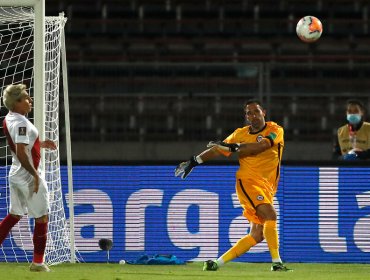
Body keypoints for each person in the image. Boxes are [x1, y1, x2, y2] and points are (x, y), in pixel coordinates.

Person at [175, 99, 292, 272]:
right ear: (246, 117)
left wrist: (234, 147)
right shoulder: (240, 133)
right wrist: (194, 161)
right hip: (248, 182)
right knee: (270, 215)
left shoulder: (275, 129)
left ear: (264, 113)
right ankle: (277, 264)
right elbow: (218, 149)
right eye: (249, 113)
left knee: (257, 235)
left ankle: (215, 264)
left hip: (268, 187)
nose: (253, 116)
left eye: (256, 112)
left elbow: (262, 145)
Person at [0, 84, 56, 272]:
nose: (30, 101)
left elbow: (21, 143)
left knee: (14, 215)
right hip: (27, 176)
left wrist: (40, 143)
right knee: (42, 218)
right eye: (26, 98)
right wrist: (35, 175)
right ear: (16, 103)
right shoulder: (22, 123)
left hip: (15, 174)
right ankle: (38, 263)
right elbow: (22, 151)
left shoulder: (10, 119)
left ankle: (38, 263)